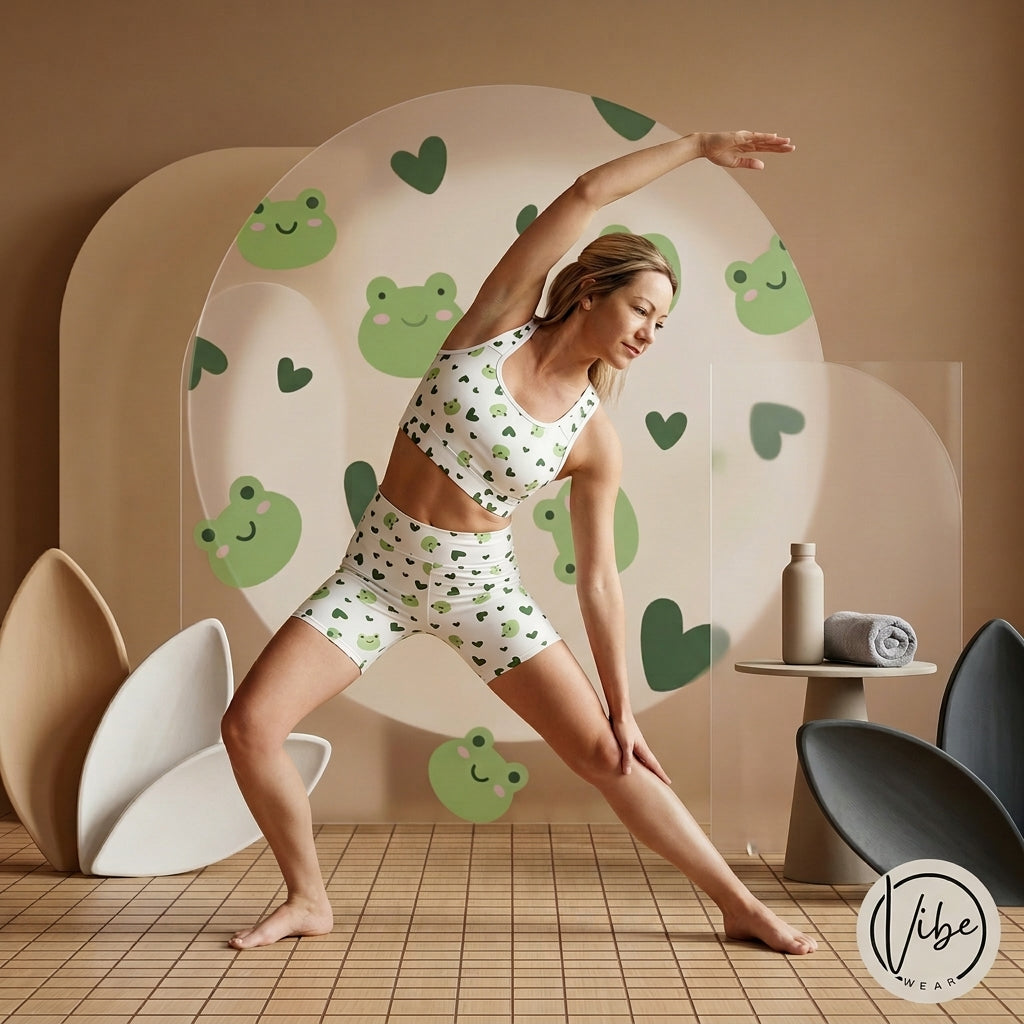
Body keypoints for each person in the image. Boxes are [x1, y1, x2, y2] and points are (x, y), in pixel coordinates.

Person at [222, 129, 817, 955]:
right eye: (642, 307)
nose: (650, 331)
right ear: (589, 292)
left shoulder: (594, 436)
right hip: (374, 578)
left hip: (480, 593)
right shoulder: (495, 322)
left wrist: (623, 705)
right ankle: (308, 897)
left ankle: (737, 904)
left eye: (663, 322)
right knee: (250, 725)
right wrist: (696, 146)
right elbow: (585, 194)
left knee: (613, 757)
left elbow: (600, 580)